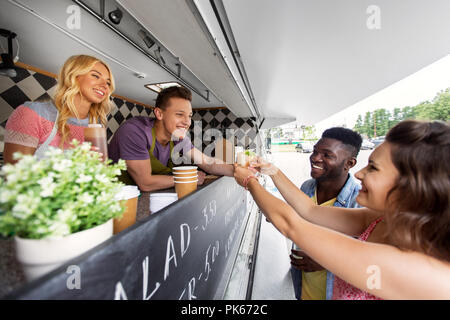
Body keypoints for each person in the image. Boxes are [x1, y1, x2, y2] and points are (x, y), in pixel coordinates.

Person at [234, 120, 450, 299]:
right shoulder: (379, 220)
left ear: (410, 185)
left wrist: (250, 182)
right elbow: (309, 211)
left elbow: (293, 226)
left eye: (373, 167)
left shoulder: (420, 269)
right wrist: (272, 171)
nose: (359, 174)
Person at [108, 86, 234, 191]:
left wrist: (237, 169)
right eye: (179, 114)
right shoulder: (134, 131)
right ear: (159, 113)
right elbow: (145, 183)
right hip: (112, 202)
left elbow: (207, 162)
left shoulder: (178, 137)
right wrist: (189, 178)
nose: (187, 122)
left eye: (189, 116)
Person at [289, 128, 362, 301]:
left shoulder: (360, 202)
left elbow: (371, 263)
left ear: (349, 163)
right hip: (302, 290)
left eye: (327, 155)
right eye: (315, 151)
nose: (315, 158)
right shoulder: (307, 187)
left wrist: (326, 262)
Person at [4, 54, 114, 164]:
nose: (105, 85)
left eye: (108, 82)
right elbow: (15, 176)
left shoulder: (96, 125)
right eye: (95, 76)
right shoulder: (33, 114)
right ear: (73, 76)